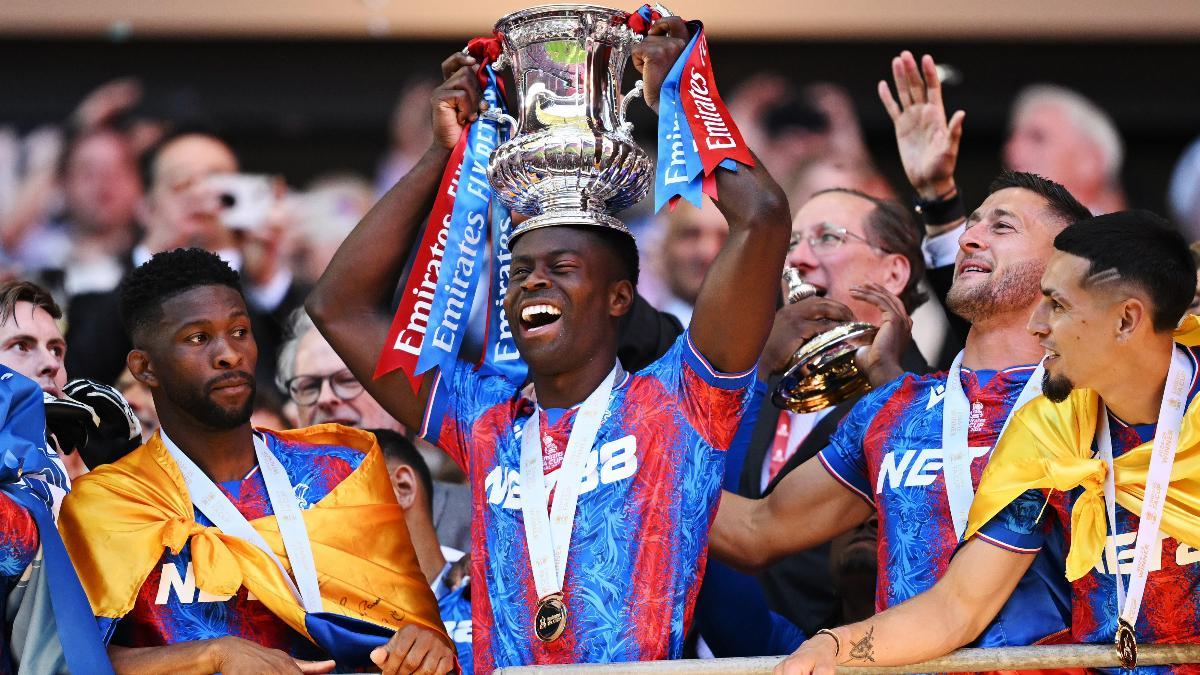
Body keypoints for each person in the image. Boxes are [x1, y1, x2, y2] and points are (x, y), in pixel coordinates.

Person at [307, 16, 791, 670]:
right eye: (521, 270)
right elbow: (336, 306)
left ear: (620, 297)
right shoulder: (483, 417)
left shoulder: (679, 403)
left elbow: (759, 218)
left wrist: (683, 95)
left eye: (563, 269)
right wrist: (440, 156)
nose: (534, 282)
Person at [712, 49, 1097, 656]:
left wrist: (838, 647)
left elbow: (960, 610)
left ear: (1063, 268)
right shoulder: (899, 408)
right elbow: (761, 529)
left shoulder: (1090, 399)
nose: (970, 235)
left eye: (1002, 227)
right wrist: (639, 460)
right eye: (970, 224)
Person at [775, 211, 1200, 675]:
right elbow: (958, 606)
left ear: (1125, 320)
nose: (1036, 326)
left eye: (1056, 305)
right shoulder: (1051, 430)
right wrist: (835, 646)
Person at [58, 248, 455, 674]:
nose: (229, 354)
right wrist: (213, 655)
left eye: (240, 331)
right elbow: (75, 662)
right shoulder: (107, 503)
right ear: (144, 367)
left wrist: (426, 644)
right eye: (198, 338)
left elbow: (420, 636)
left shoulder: (344, 470)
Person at [727, 187, 930, 635]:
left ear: (894, 271)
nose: (798, 258)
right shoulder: (758, 382)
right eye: (793, 242)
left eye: (828, 238)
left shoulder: (924, 399)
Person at [65, 131, 307, 389]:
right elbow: (84, 371)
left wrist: (265, 280)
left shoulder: (278, 290)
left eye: (217, 182)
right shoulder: (95, 290)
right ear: (147, 208)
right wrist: (157, 255)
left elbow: (296, 373)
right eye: (181, 184)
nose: (201, 196)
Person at [276, 308, 473, 553]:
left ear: (397, 394)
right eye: (309, 386)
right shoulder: (277, 541)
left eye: (348, 379)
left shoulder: (476, 520)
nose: (325, 398)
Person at [371, 428, 474, 675]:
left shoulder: (497, 594)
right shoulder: (331, 627)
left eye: (344, 494)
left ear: (402, 487)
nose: (328, 517)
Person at [1005, 84, 1126, 215]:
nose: (1013, 150)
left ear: (1089, 162)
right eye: (1012, 139)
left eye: (1037, 138)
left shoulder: (1122, 233)